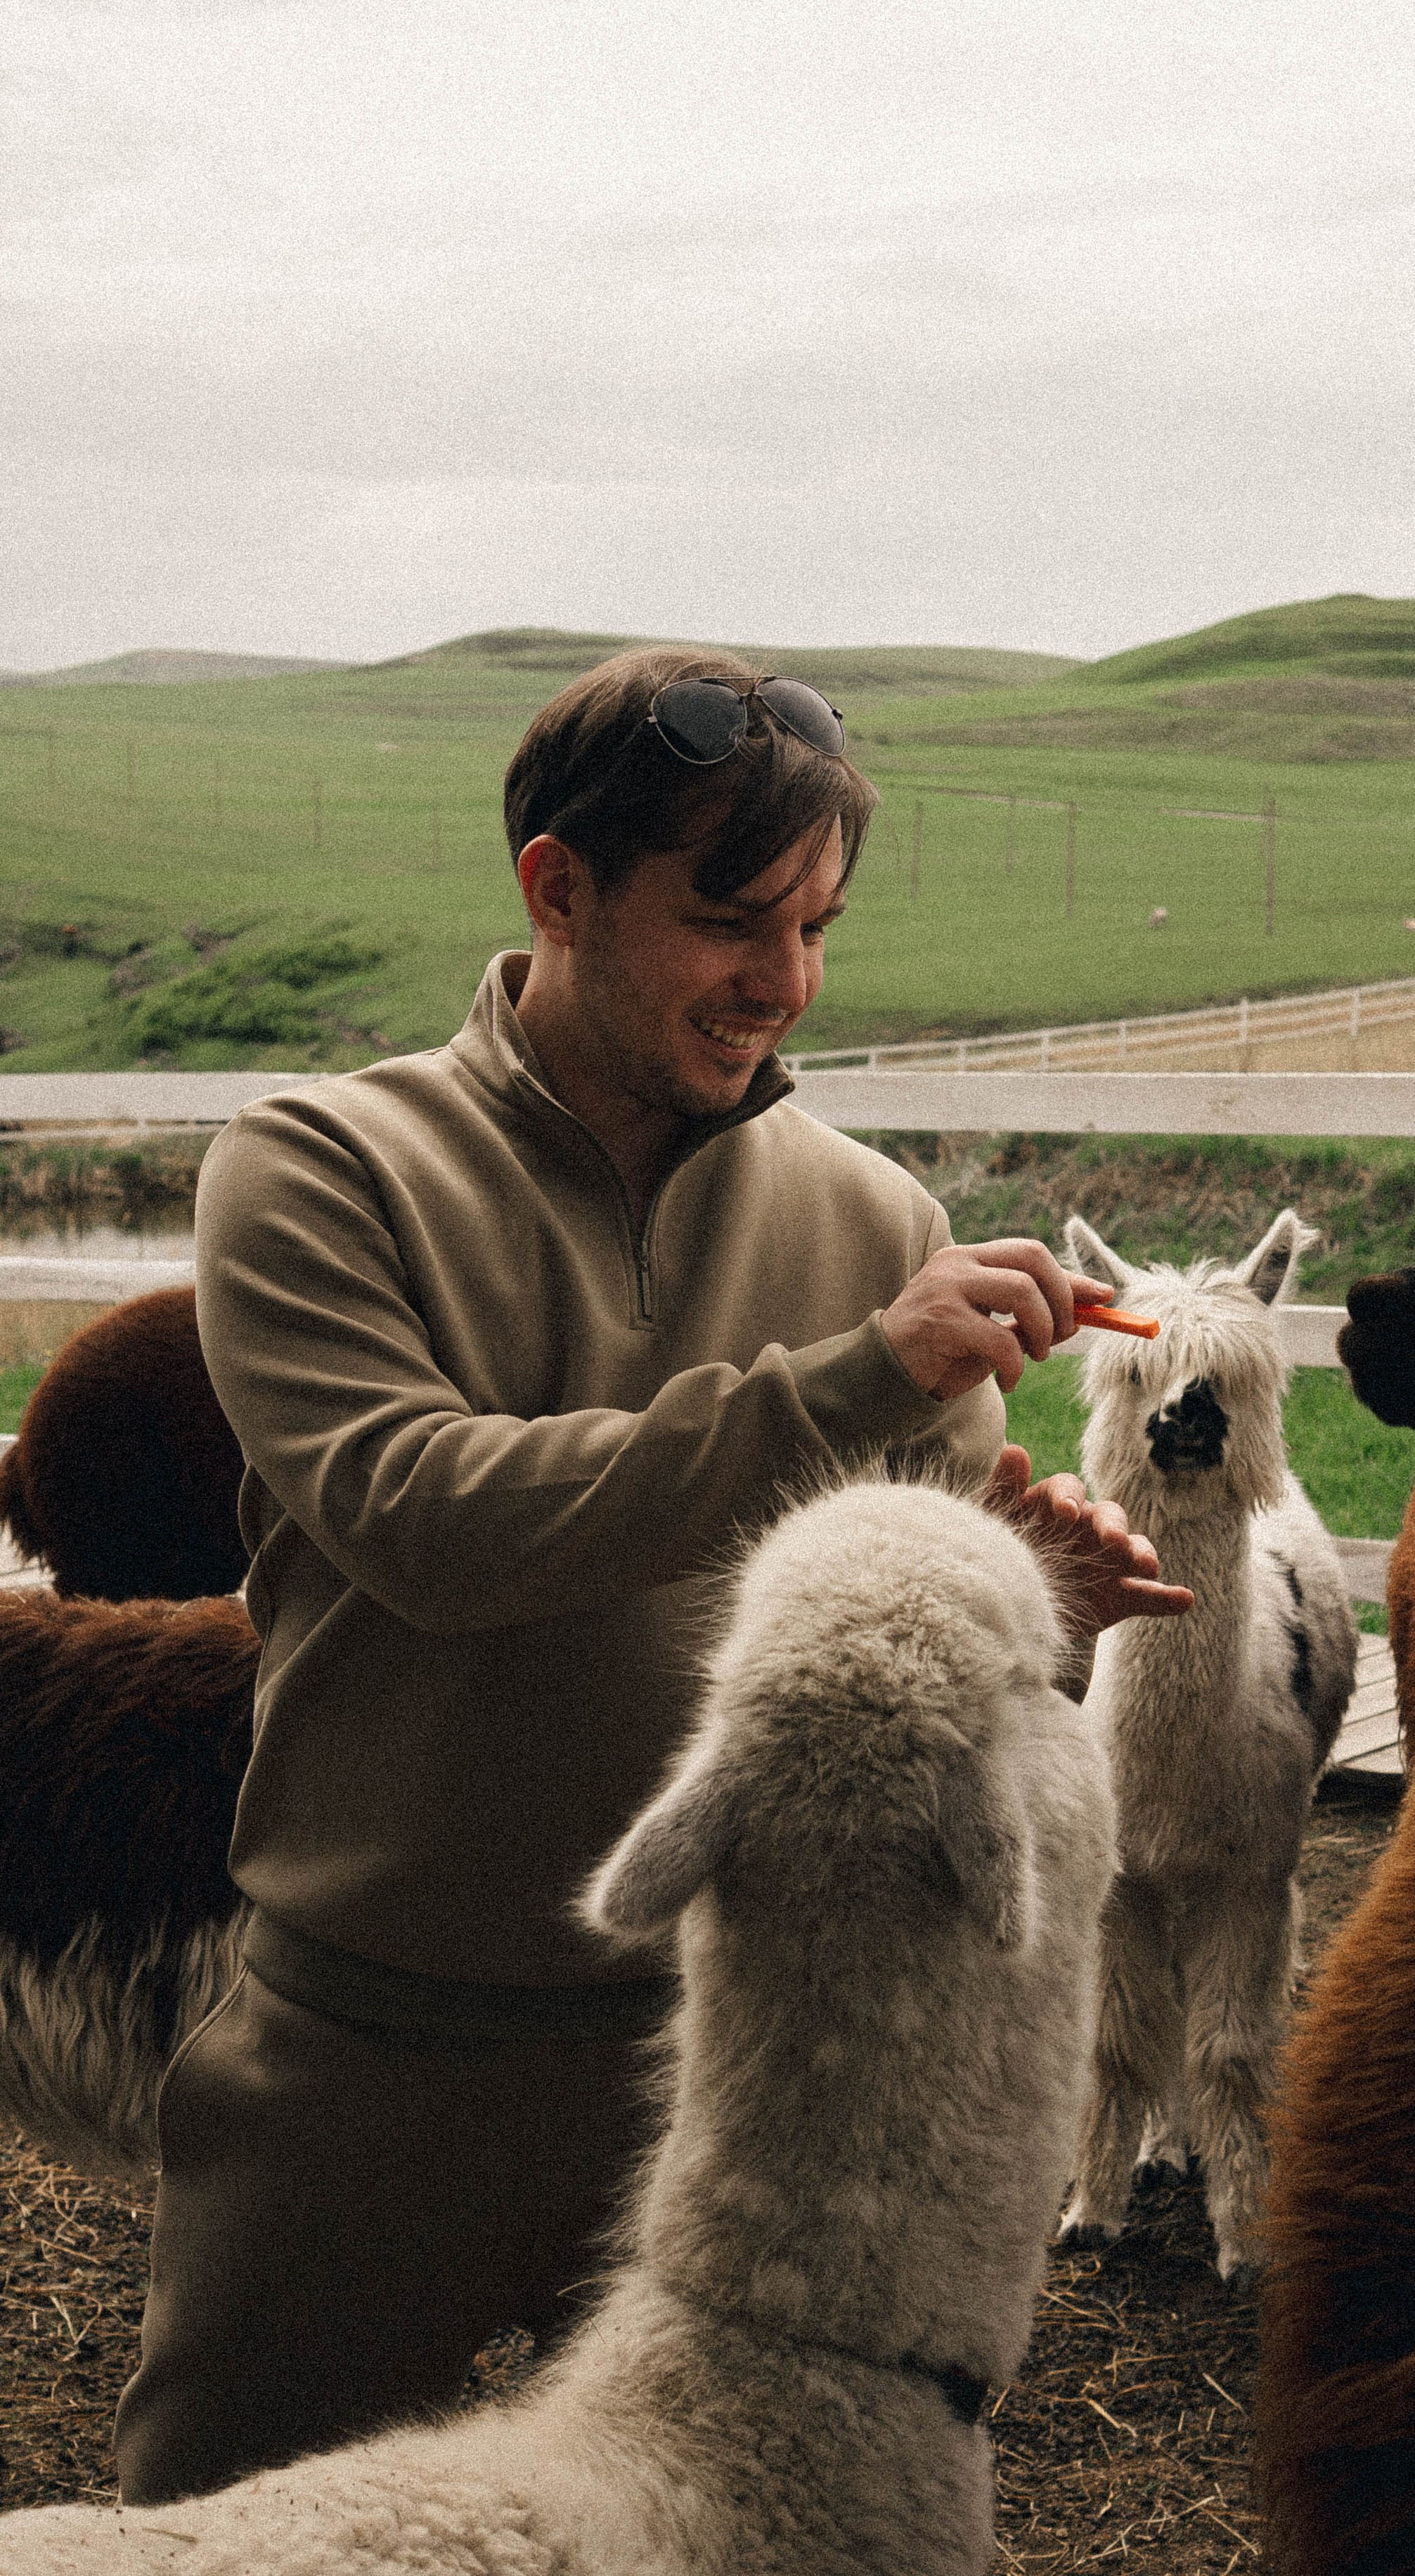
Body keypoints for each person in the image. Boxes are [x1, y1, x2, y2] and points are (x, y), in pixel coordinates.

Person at [114, 646, 1191, 2505]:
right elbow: (427, 1523)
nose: (782, 983)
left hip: (746, 2082)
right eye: (727, 920)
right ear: (557, 889)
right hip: (373, 2068)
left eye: (818, 927)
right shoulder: (317, 1170)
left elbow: (911, 1639)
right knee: (226, 2531)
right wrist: (854, 1377)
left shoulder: (874, 1221)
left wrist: (1033, 1599)